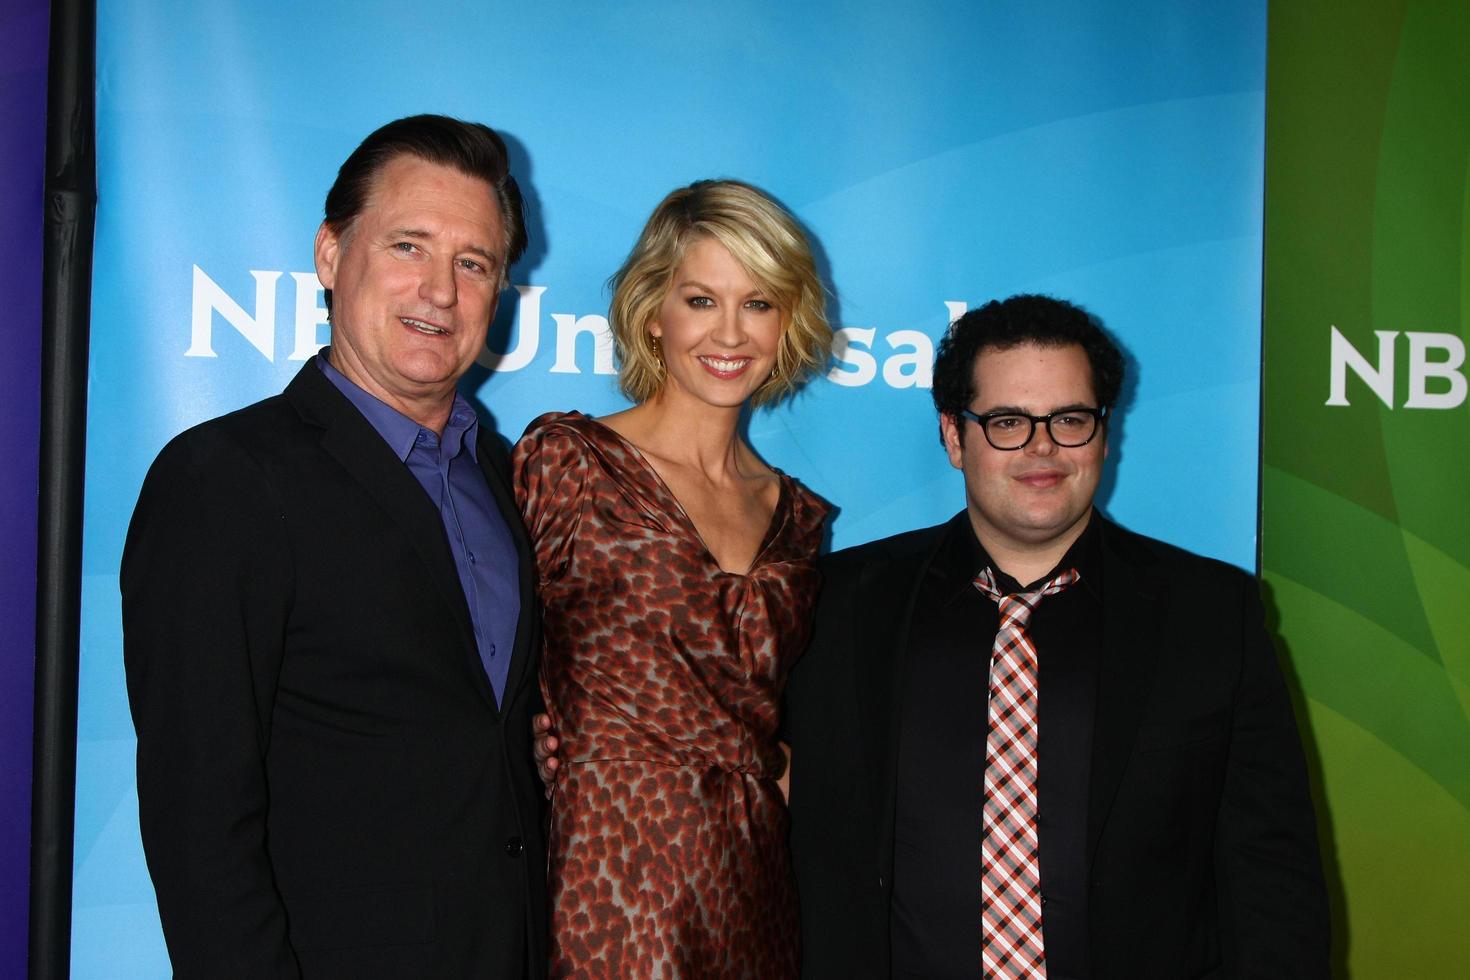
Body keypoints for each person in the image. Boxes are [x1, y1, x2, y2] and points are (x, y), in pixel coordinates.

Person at [783, 295, 1330, 979]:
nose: (1042, 448)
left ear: (1105, 434)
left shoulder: (1212, 615)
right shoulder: (835, 605)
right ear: (955, 437)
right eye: (1008, 421)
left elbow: (1272, 877)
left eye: (1070, 419)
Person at [122, 115, 547, 979]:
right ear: (329, 254)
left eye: (473, 264)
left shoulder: (512, 480)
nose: (439, 291)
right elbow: (197, 818)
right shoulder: (225, 481)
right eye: (408, 247)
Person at [513, 179, 831, 978]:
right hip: (599, 877)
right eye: (701, 299)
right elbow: (475, 652)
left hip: (752, 890)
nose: (730, 332)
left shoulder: (796, 520)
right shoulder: (571, 463)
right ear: (654, 311)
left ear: (788, 319)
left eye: (758, 302)